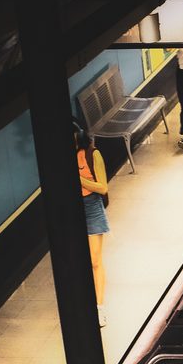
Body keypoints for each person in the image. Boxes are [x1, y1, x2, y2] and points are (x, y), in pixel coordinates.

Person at [75, 127, 110, 327]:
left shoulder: (92, 154)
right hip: (71, 208)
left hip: (91, 206)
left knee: (95, 260)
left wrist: (78, 178)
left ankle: (99, 307)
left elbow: (103, 187)